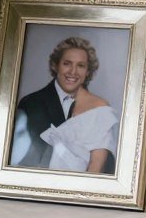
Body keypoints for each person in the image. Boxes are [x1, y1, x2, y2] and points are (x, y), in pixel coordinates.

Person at [10, 36, 118, 174]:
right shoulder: (30, 104)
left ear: (88, 71)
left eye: (80, 65)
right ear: (55, 65)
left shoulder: (100, 109)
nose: (73, 72)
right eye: (67, 63)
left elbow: (101, 165)